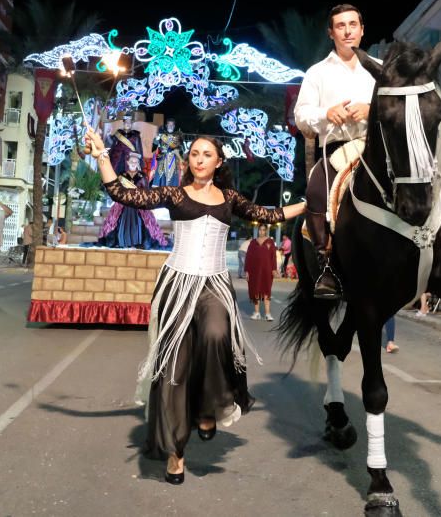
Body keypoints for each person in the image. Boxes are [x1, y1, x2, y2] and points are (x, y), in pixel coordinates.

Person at [83, 127, 306, 484]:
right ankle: (176, 453)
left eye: (207, 155)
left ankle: (207, 408)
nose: (199, 159)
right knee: (175, 367)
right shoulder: (174, 193)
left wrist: (313, 203)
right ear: (189, 160)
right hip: (177, 283)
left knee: (218, 335)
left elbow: (270, 215)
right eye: (195, 154)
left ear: (218, 163)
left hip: (214, 284)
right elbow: (125, 194)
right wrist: (100, 156)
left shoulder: (231, 198)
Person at [294, 4, 376, 299]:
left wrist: (371, 108)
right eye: (340, 26)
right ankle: (326, 263)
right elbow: (301, 115)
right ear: (331, 33)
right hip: (336, 149)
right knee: (317, 192)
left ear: (362, 29)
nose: (348, 30)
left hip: (375, 148)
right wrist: (327, 113)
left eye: (353, 24)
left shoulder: (379, 69)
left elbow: (398, 107)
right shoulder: (317, 73)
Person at [245, 224, 277, 321]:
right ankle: (257, 312)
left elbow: (273, 257)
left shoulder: (270, 242)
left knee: (267, 290)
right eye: (260, 230)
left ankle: (267, 313)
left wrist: (274, 269)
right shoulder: (253, 243)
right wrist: (247, 271)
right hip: (254, 270)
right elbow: (248, 257)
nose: (262, 232)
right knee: (255, 290)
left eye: (263, 230)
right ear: (257, 231)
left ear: (266, 231)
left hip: (267, 270)